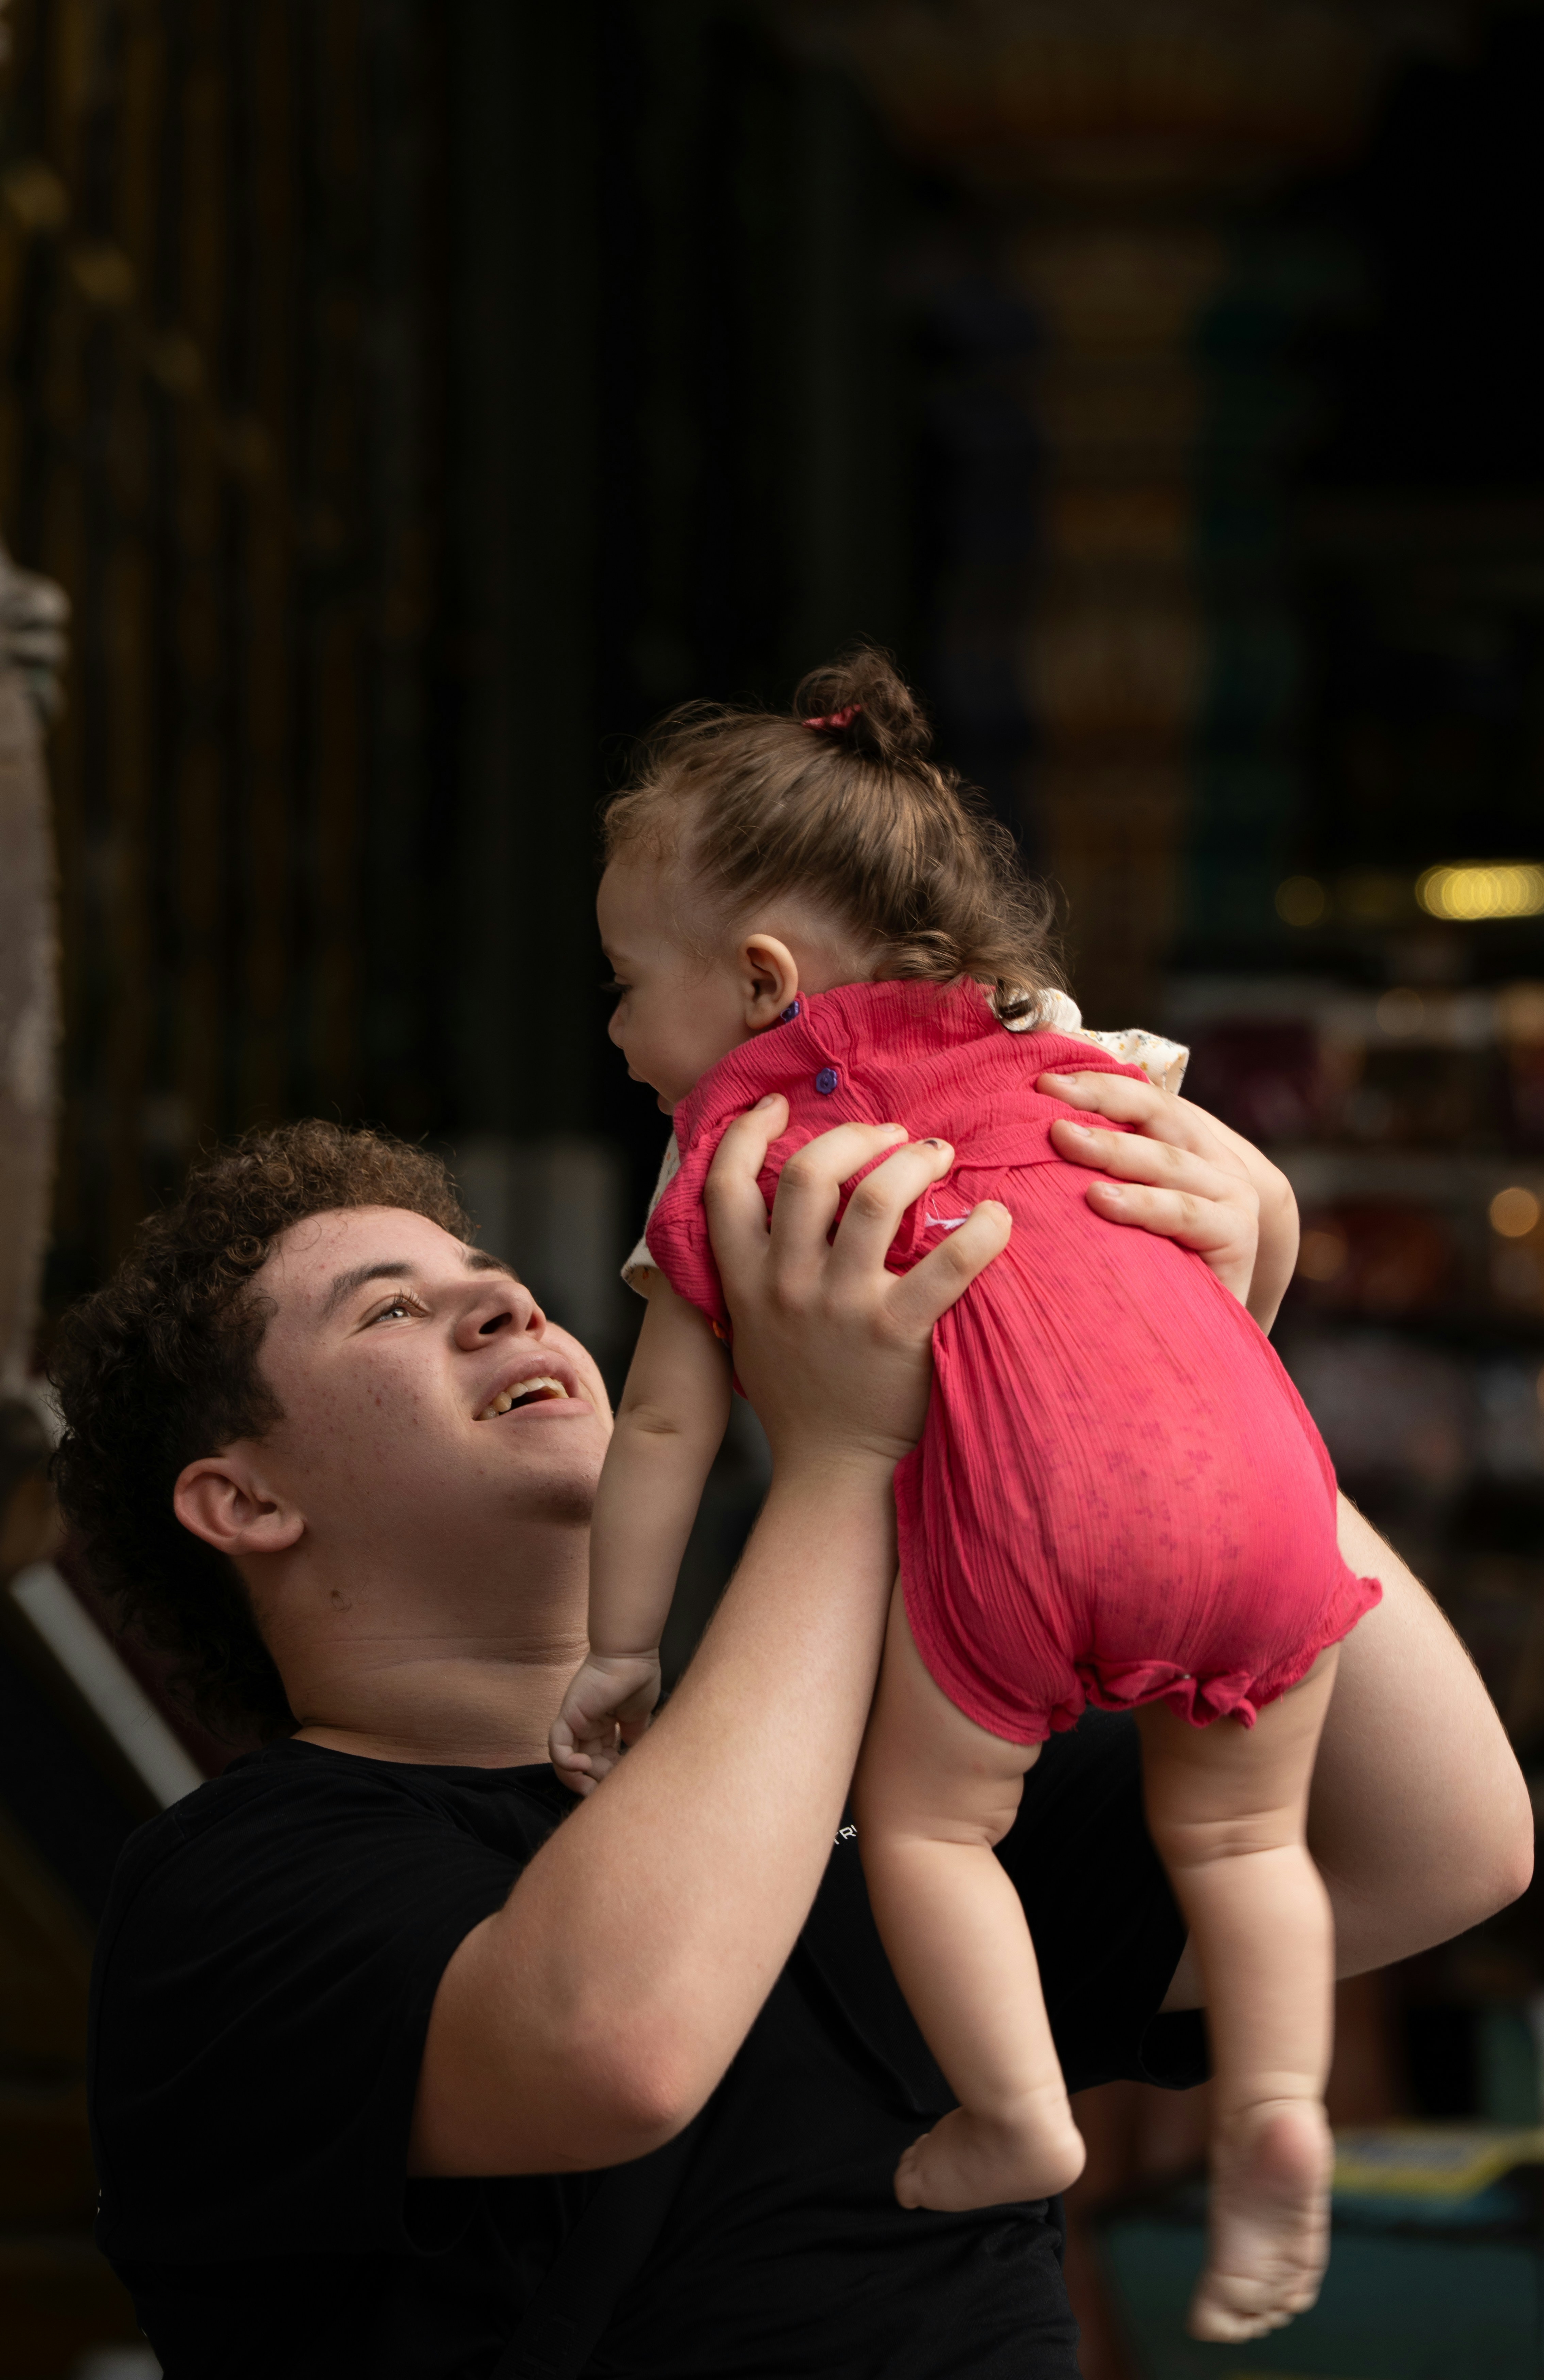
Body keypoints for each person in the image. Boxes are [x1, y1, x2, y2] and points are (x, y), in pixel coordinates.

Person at [53, 1104, 1525, 2380]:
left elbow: (1432, 1841)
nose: (506, 1311)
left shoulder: (898, 1802)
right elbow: (615, 2045)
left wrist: (1182, 1362)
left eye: (492, 1282)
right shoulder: (222, 1895)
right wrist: (842, 1458)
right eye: (389, 1310)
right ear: (240, 1503)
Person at [550, 648, 1374, 2340]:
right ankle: (1280, 2103)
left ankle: (1011, 2119)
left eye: (629, 984)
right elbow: (1168, 1254)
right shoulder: (1075, 1054)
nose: (623, 1029)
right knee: (1240, 1831)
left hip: (1034, 1532)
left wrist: (617, 1651)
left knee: (935, 1827)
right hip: (1261, 1489)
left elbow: (658, 1438)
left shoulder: (743, 1151)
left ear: (763, 978)